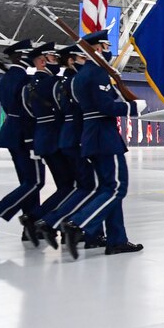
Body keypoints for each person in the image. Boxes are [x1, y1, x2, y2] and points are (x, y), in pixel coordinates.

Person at [62, 31, 147, 258]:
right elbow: (105, 107)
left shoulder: (80, 75)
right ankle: (79, 224)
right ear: (97, 49)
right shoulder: (96, 74)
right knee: (117, 188)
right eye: (105, 46)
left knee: (108, 189)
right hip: (104, 137)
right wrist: (132, 108)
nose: (109, 50)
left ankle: (116, 239)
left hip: (93, 136)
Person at [34, 44, 103, 250]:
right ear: (72, 60)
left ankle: (64, 227)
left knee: (79, 186)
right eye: (82, 58)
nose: (85, 61)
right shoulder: (73, 82)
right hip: (78, 138)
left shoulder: (60, 83)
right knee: (90, 187)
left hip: (66, 138)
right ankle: (60, 223)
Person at [0, 39, 43, 243]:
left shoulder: (5, 80)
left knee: (28, 182)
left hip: (11, 134)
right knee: (36, 181)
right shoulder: (24, 80)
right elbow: (29, 112)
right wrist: (33, 139)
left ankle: (31, 227)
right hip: (25, 136)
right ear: (23, 56)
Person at [27, 42, 75, 241]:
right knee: (69, 186)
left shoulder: (30, 84)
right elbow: (63, 110)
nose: (56, 62)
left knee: (65, 185)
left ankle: (45, 222)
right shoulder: (53, 83)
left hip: (43, 138)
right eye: (53, 58)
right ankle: (39, 219)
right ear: (42, 61)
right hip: (56, 139)